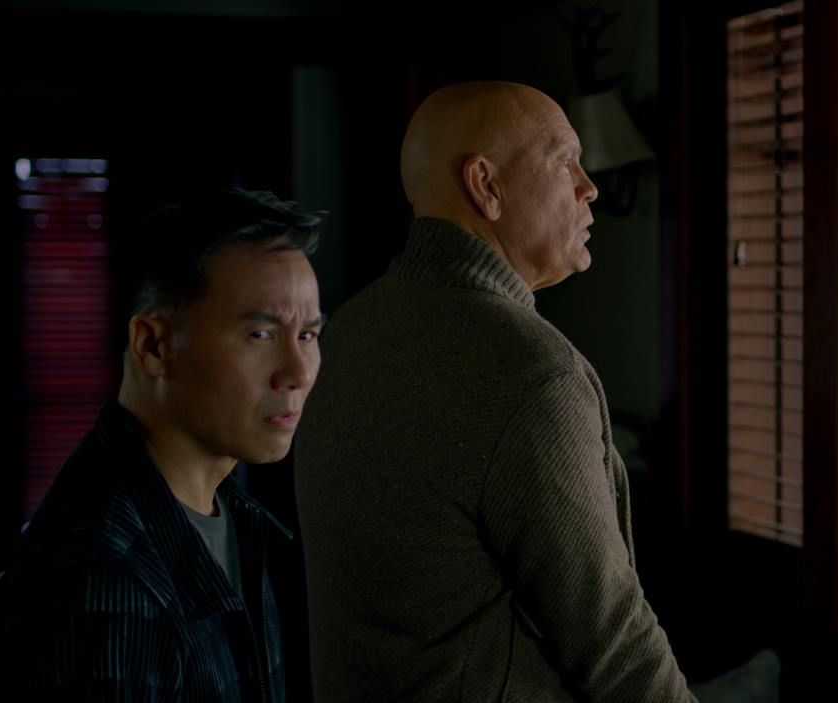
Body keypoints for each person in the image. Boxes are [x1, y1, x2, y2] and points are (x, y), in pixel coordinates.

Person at [295, 81, 695, 701]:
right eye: (564, 161)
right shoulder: (533, 372)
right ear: (485, 185)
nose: (589, 186)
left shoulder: (346, 332)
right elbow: (616, 646)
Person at [0, 188, 326, 701]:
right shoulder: (104, 579)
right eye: (261, 335)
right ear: (153, 345)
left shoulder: (236, 519)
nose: (298, 373)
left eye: (308, 336)